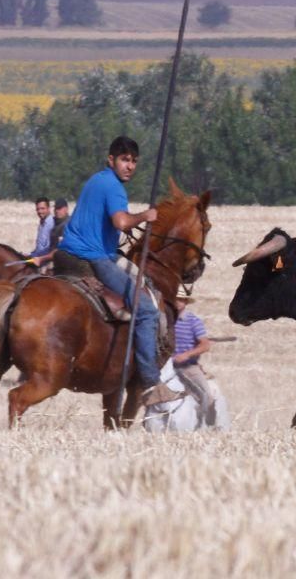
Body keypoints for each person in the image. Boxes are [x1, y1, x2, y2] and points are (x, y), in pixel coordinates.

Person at [56, 135, 179, 407]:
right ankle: (150, 382)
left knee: (140, 279)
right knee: (146, 309)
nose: (130, 166)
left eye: (134, 161)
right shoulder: (113, 187)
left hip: (74, 252)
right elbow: (121, 222)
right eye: (124, 159)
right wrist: (144, 217)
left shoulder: (97, 180)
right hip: (92, 258)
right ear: (110, 160)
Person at [172, 285, 217, 427]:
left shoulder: (193, 321)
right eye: (175, 299)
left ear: (186, 302)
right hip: (165, 367)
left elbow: (205, 345)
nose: (178, 302)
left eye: (181, 299)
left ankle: (208, 425)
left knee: (207, 396)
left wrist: (186, 355)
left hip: (188, 367)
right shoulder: (163, 319)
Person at [32, 198, 70, 267]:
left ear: (66, 209)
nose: (57, 211)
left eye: (59, 208)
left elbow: (58, 250)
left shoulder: (66, 225)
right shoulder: (54, 222)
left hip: (54, 262)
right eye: (55, 208)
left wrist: (40, 259)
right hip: (46, 259)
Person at [28, 197, 55, 262]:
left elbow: (48, 249)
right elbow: (40, 247)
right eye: (37, 209)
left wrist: (36, 257)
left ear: (48, 209)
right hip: (38, 259)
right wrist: (30, 254)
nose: (40, 211)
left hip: (46, 262)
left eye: (42, 209)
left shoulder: (52, 224)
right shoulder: (42, 224)